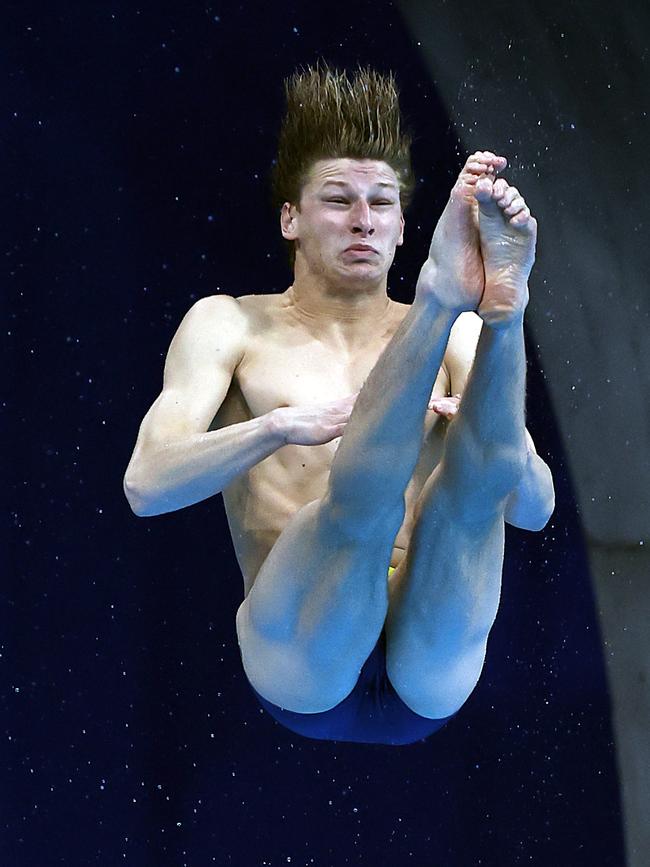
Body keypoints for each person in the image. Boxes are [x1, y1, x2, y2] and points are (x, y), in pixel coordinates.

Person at [123, 63, 555, 746]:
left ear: (407, 228)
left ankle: (510, 309)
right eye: (338, 200)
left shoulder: (459, 342)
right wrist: (279, 426)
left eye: (381, 203)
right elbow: (146, 485)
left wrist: (500, 446)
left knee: (469, 491)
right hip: (302, 658)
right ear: (290, 217)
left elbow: (535, 510)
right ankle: (442, 295)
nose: (363, 221)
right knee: (357, 502)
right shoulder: (229, 326)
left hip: (431, 661)